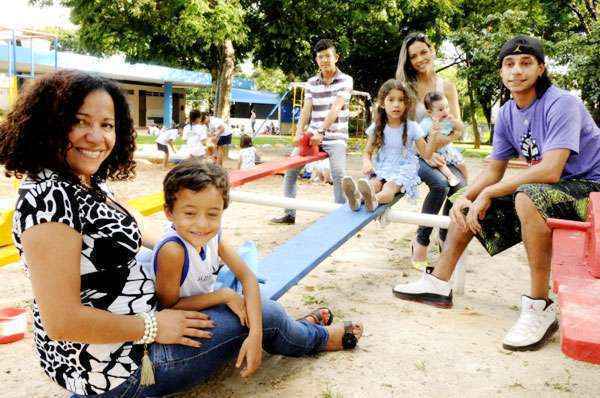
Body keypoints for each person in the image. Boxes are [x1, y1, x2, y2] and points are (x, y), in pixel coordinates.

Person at [0, 70, 363, 398]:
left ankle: (293, 329)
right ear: (50, 125)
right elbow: (62, 321)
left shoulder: (83, 181)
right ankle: (317, 337)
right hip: (117, 368)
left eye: (107, 125)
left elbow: (128, 235)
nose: (97, 137)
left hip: (130, 331)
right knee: (261, 314)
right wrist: (153, 327)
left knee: (235, 296)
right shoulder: (49, 201)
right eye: (81, 122)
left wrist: (197, 242)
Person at [392, 36, 600, 352]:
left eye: (526, 62)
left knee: (526, 197)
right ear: (502, 72)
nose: (517, 70)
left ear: (541, 68)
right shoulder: (505, 113)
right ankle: (438, 282)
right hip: (554, 189)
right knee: (463, 197)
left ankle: (539, 307)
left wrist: (490, 192)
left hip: (591, 189)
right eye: (509, 64)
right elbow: (493, 169)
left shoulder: (563, 103)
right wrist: (467, 196)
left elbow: (551, 169)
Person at [147, 160, 364, 381]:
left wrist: (255, 335)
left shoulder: (212, 236)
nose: (202, 224)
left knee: (259, 310)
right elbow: (168, 306)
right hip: (179, 323)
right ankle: (316, 337)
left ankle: (300, 327)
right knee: (267, 312)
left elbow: (248, 277)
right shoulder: (173, 251)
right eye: (190, 213)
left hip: (206, 305)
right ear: (169, 213)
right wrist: (223, 296)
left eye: (212, 214)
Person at [396, 32, 467, 270]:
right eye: (413, 56)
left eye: (423, 52)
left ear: (432, 50)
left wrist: (438, 145)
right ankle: (421, 241)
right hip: (413, 151)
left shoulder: (446, 86)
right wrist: (426, 151)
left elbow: (457, 126)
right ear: (408, 61)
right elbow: (403, 128)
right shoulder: (406, 88)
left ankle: (445, 237)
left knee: (461, 185)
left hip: (441, 147)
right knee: (440, 184)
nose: (419, 59)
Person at [271, 39, 353, 224]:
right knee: (290, 170)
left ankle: (339, 216)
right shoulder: (311, 83)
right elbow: (306, 109)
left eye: (328, 56)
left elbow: (336, 108)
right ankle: (289, 214)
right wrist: (299, 133)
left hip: (335, 136)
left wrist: (322, 132)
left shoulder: (346, 80)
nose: (324, 60)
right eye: (320, 57)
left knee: (339, 174)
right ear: (316, 60)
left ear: (336, 57)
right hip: (312, 136)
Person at [342, 79, 437, 211]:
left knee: (389, 188)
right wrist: (366, 163)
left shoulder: (412, 127)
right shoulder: (377, 127)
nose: (396, 104)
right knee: (373, 185)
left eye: (401, 100)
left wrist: (434, 137)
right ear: (382, 103)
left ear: (406, 104)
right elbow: (367, 152)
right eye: (391, 100)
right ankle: (357, 199)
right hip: (383, 166)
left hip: (403, 169)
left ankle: (374, 201)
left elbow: (426, 153)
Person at [420, 91, 468, 187]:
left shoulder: (448, 121)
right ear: (430, 112)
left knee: (462, 164)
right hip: (436, 152)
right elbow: (418, 137)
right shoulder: (427, 123)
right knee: (441, 164)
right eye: (441, 109)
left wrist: (455, 121)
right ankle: (451, 177)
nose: (445, 111)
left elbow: (461, 129)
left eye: (447, 107)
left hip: (449, 150)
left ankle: (467, 182)